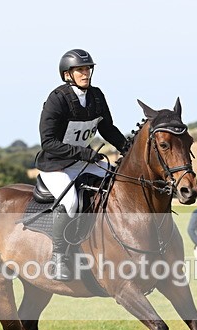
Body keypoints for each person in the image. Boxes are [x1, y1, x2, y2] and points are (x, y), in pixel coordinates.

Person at [35, 48, 129, 281]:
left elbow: (107, 129)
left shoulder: (96, 96)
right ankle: (58, 258)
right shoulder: (57, 99)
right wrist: (82, 153)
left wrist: (128, 148)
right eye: (80, 70)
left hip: (84, 161)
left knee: (117, 185)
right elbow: (48, 142)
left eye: (88, 69)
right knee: (70, 201)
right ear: (68, 74)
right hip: (56, 165)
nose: (85, 73)